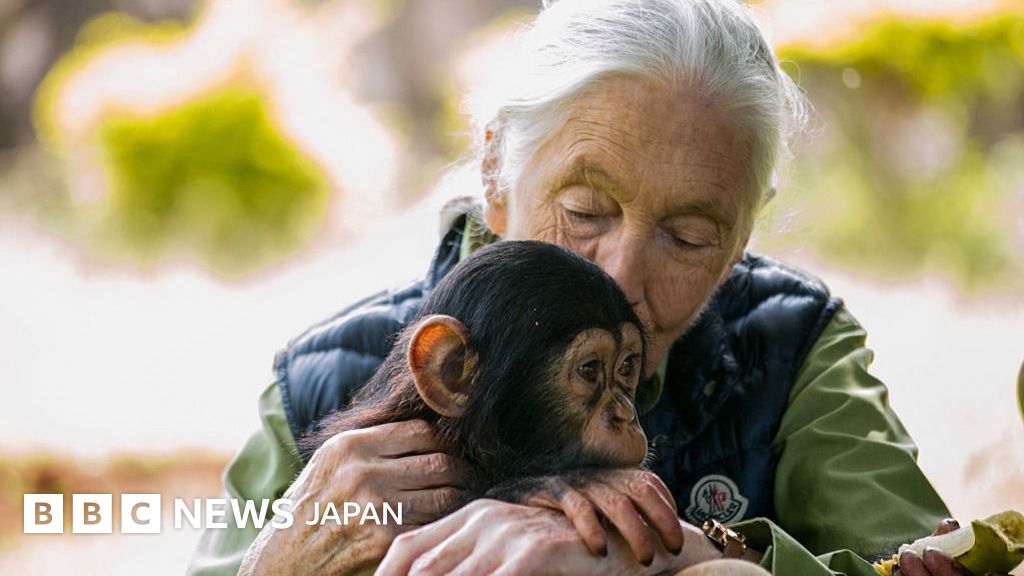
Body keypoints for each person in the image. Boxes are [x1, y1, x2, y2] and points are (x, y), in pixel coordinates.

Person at [187, 0, 960, 574]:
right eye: (586, 210)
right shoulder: (326, 384)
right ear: (496, 174)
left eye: (688, 238)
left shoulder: (792, 347)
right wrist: (278, 560)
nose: (616, 279)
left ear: (738, 243)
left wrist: (690, 554)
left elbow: (936, 563)